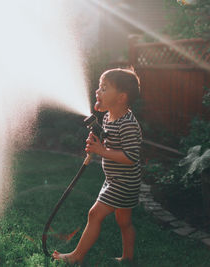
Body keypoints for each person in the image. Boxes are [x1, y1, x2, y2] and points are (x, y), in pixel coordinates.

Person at [53, 68, 142, 264]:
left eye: (104, 88)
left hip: (124, 182)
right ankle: (128, 258)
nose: (97, 91)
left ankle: (76, 257)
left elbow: (131, 157)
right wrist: (96, 144)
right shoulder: (110, 117)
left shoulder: (127, 124)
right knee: (124, 222)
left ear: (121, 98)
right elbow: (108, 142)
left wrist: (101, 151)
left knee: (94, 214)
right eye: (99, 87)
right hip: (115, 180)